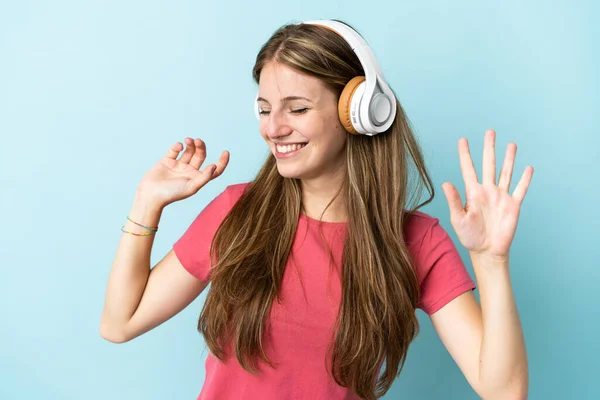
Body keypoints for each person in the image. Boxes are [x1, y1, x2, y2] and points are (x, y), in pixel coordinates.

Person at [100, 19, 532, 400]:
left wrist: (490, 261)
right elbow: (120, 323)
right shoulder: (238, 211)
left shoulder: (417, 242)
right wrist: (147, 203)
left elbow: (504, 391)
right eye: (265, 109)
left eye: (298, 108)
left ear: (359, 111)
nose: (273, 128)